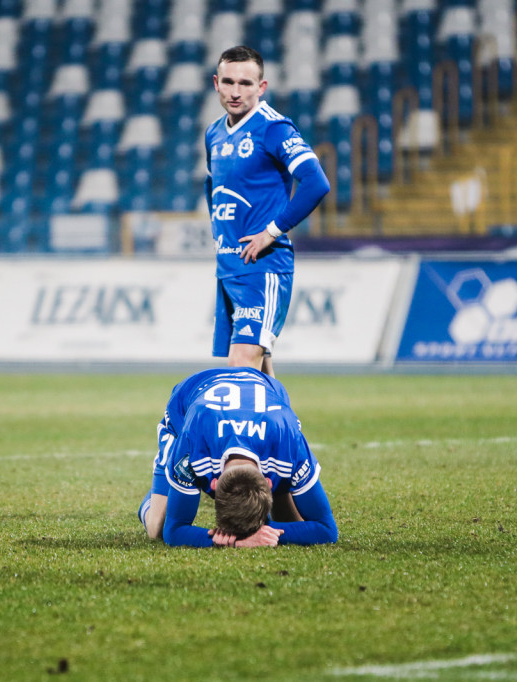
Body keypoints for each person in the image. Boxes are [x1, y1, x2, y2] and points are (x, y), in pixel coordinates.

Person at [205, 45, 331, 377]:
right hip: (230, 266)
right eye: (228, 82)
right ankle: (290, 431)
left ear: (261, 88)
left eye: (245, 83)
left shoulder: (274, 128)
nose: (235, 92)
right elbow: (213, 188)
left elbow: (316, 183)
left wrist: (270, 232)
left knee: (241, 368)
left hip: (263, 267)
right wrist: (220, 236)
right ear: (216, 83)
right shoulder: (214, 133)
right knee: (260, 375)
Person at [138, 367, 338, 548]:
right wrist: (243, 540)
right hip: (187, 401)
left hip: (267, 397)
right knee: (156, 528)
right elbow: (172, 531)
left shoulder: (288, 438)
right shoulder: (191, 443)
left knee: (292, 522)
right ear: (213, 484)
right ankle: (162, 490)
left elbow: (327, 530)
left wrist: (254, 535)